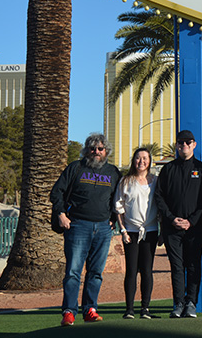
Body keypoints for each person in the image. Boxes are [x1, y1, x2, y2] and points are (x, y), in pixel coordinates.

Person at [50, 133, 121, 327]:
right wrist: (61, 214)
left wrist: (114, 219)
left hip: (104, 228)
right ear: (86, 150)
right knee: (73, 271)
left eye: (100, 149)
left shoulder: (113, 172)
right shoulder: (76, 168)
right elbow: (57, 192)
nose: (96, 152)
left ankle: (90, 309)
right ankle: (69, 312)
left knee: (96, 272)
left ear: (106, 151)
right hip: (78, 226)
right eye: (92, 148)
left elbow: (119, 199)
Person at [154, 130, 202, 319]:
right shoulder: (168, 169)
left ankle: (191, 303)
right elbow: (159, 197)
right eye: (181, 143)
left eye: (188, 142)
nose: (184, 145)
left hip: (195, 228)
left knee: (194, 265)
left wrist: (191, 221)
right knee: (176, 267)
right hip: (172, 228)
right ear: (177, 145)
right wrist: (172, 218)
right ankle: (178, 303)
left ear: (194, 144)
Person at [114, 147, 159, 320]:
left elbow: (160, 205)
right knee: (131, 270)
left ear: (150, 161)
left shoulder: (155, 181)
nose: (142, 162)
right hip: (130, 232)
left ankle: (145, 308)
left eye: (145, 158)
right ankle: (129, 309)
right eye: (138, 158)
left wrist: (161, 230)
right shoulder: (126, 181)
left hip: (150, 231)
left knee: (147, 270)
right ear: (134, 161)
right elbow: (119, 207)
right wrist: (123, 230)